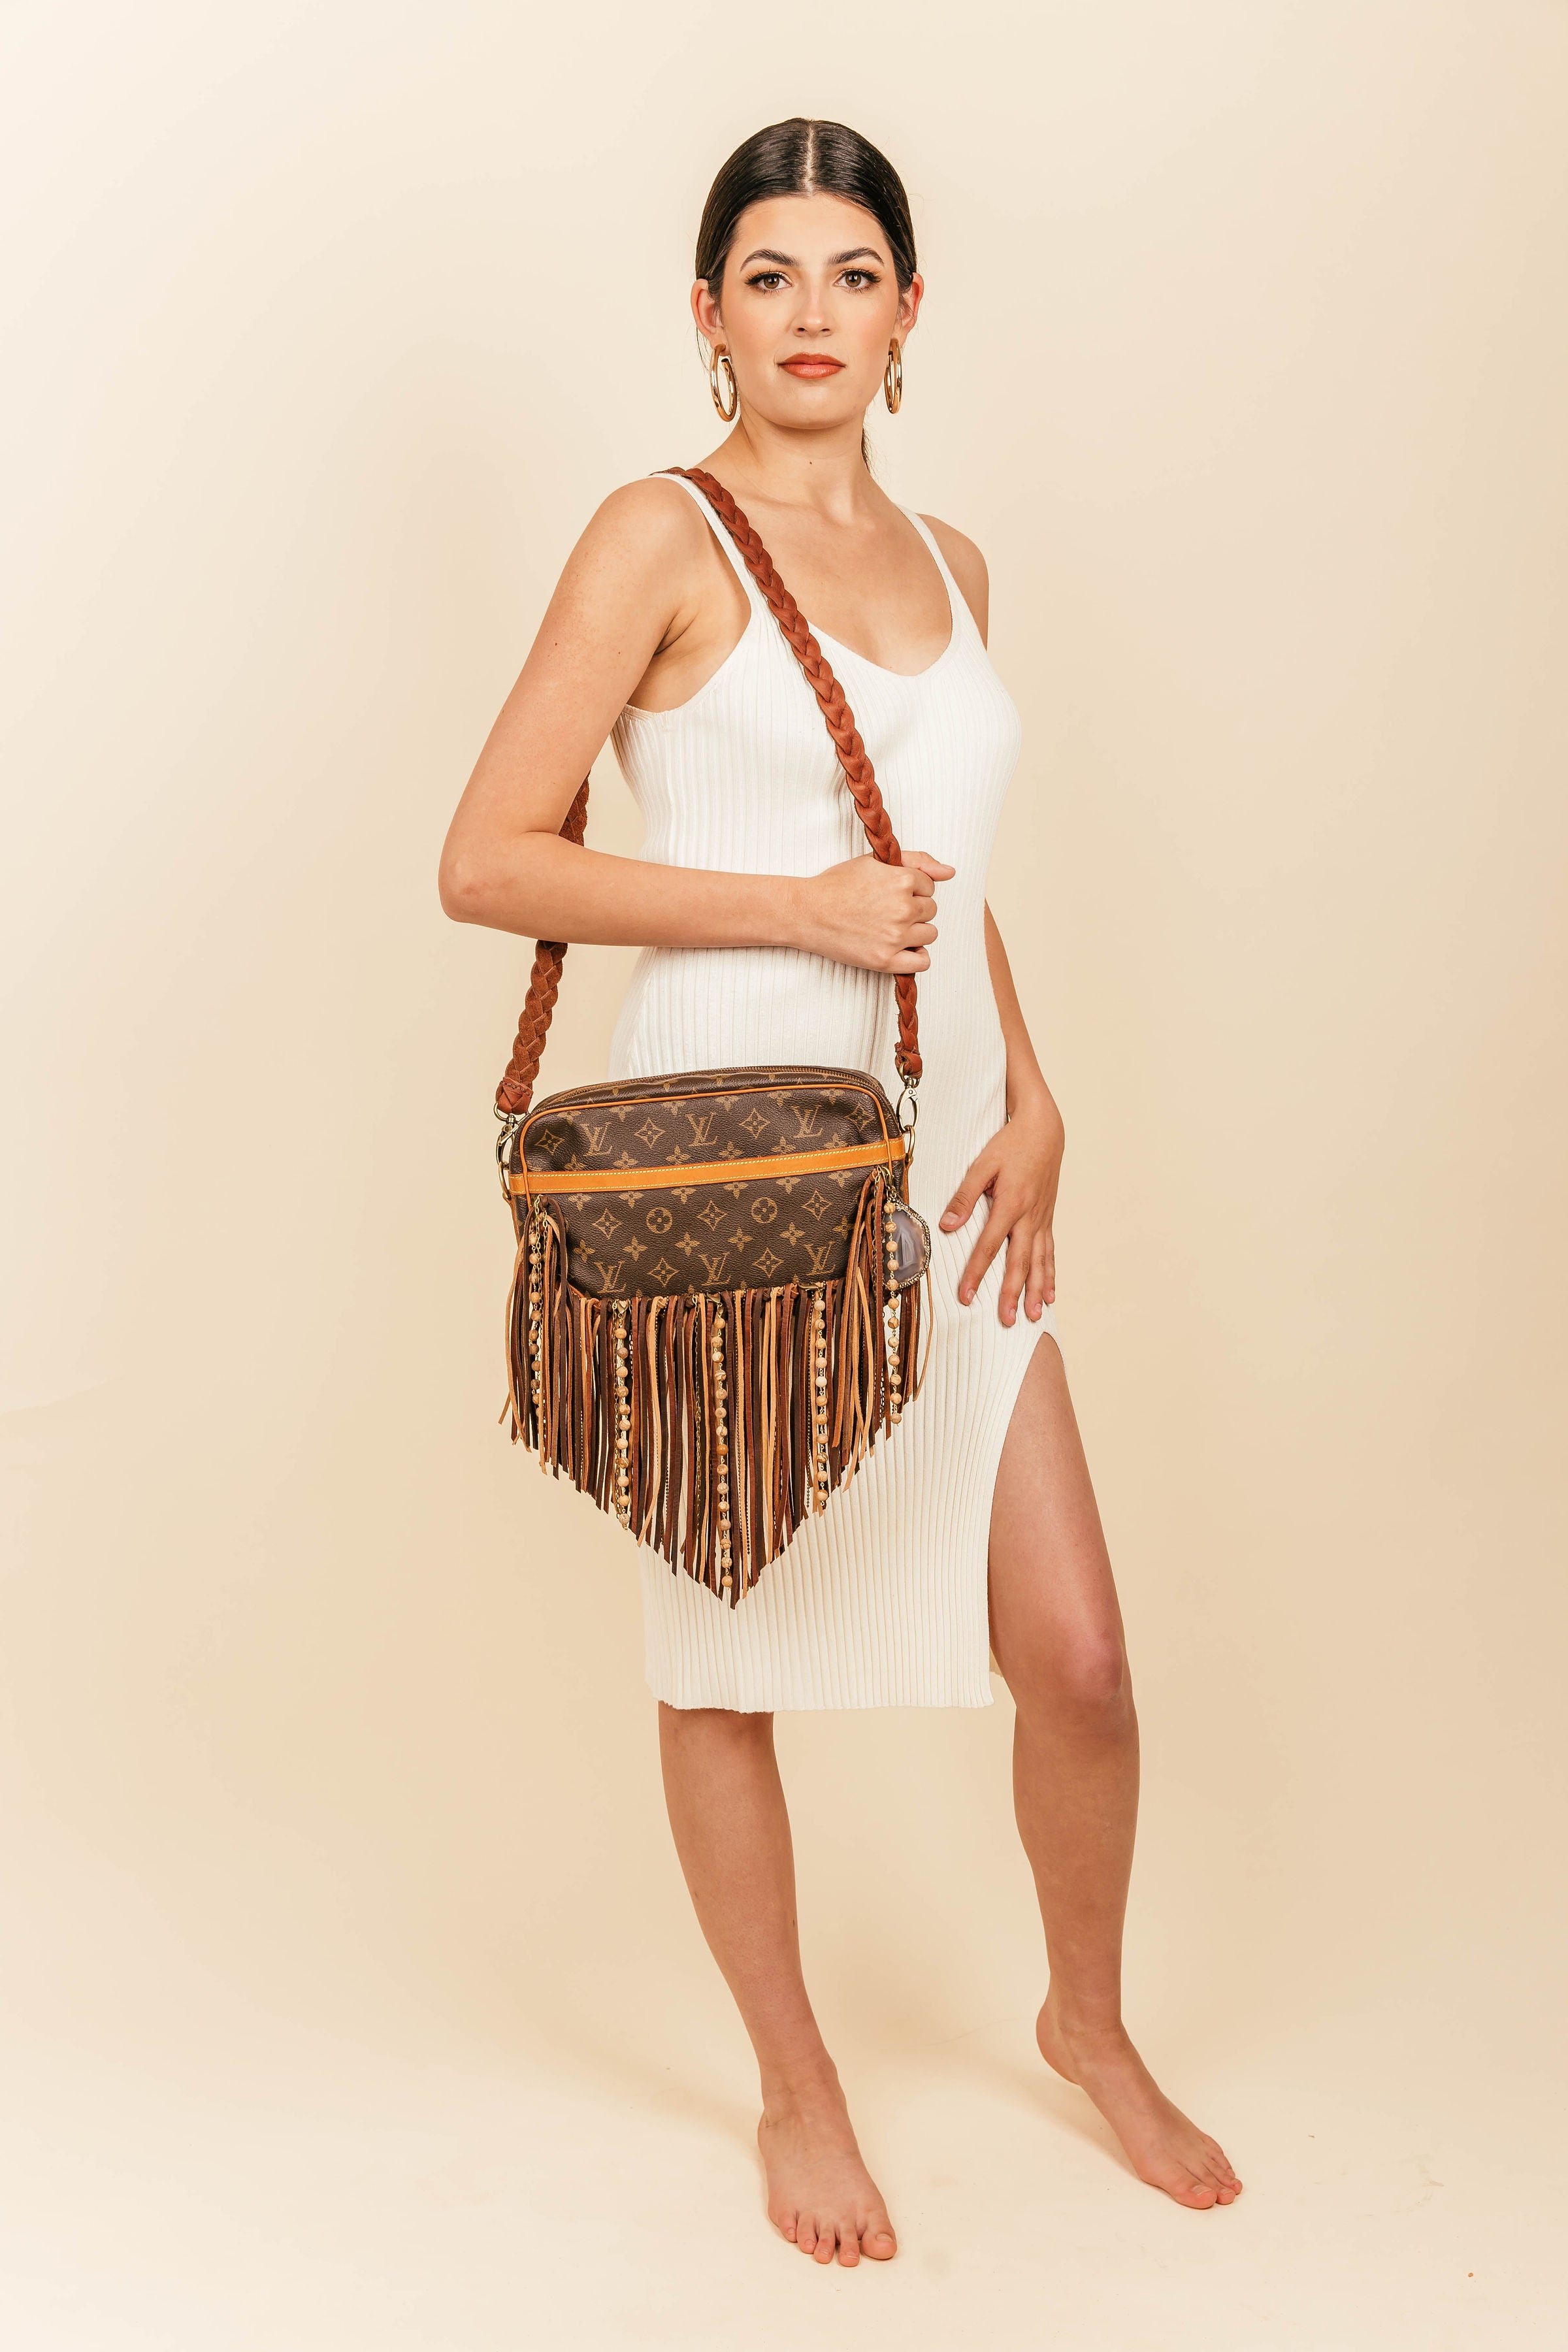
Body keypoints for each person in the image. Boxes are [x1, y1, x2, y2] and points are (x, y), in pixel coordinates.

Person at [439, 116, 1241, 2266]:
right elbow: (488, 858)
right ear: (708, 313)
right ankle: (795, 2084)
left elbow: (941, 883)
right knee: (725, 1647)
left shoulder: (960, 563)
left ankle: (1085, 2017)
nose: (814, 313)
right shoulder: (659, 533)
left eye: (854, 273)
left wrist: (1039, 1086)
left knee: (1081, 1658)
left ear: (909, 311)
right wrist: (790, 908)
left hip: (942, 1152)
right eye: (771, 275)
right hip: (732, 1159)